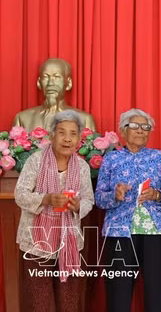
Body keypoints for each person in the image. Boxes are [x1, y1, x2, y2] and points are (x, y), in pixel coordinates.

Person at [94, 109, 161, 312]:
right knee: (118, 292)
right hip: (119, 230)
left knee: (156, 292)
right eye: (135, 126)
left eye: (145, 127)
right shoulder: (111, 159)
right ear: (123, 131)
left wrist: (157, 195)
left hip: (154, 230)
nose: (141, 131)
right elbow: (98, 198)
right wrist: (115, 195)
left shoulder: (159, 157)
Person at [14, 110, 94, 312]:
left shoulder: (83, 167)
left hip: (69, 243)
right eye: (62, 132)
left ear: (79, 139)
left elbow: (88, 200)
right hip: (36, 242)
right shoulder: (36, 161)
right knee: (37, 301)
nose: (67, 139)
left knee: (68, 301)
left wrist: (78, 206)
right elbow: (20, 194)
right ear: (52, 135)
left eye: (73, 133)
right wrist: (46, 199)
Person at [13, 58, 96, 131]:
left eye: (57, 77)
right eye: (45, 77)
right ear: (39, 83)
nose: (50, 83)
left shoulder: (84, 120)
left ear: (68, 83)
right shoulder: (22, 118)